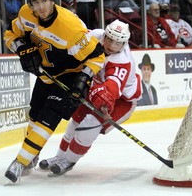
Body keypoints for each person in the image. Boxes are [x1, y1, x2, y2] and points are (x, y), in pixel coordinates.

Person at [3, 0, 105, 183]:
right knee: (34, 115)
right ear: (30, 4)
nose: (40, 7)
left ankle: (20, 162)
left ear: (53, 0)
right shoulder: (26, 14)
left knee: (48, 118)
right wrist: (22, 49)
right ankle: (31, 156)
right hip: (46, 74)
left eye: (44, 0)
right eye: (35, 2)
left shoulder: (70, 28)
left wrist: (83, 78)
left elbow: (97, 57)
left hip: (70, 76)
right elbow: (10, 35)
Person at [37, 19, 142, 175]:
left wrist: (105, 106)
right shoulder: (95, 36)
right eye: (110, 39)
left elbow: (112, 88)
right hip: (98, 87)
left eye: (117, 43)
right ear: (105, 34)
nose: (112, 46)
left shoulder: (122, 61)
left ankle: (69, 160)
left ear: (124, 44)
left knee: (90, 124)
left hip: (122, 101)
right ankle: (59, 157)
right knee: (76, 119)